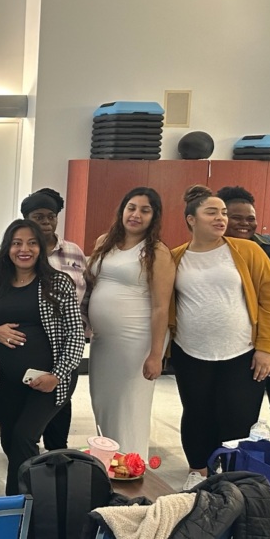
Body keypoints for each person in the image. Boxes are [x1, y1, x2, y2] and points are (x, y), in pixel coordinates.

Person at [170, 185, 270, 491]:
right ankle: (198, 472)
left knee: (238, 417)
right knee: (196, 413)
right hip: (190, 352)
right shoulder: (176, 257)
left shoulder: (248, 251)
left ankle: (231, 478)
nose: (221, 218)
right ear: (191, 219)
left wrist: (267, 348)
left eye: (224, 213)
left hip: (242, 352)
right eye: (212, 212)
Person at [0, 219, 84, 496]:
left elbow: (75, 333)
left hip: (49, 380)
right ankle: (34, 496)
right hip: (7, 382)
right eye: (16, 243)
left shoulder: (58, 282)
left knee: (25, 437)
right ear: (7, 248)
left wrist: (57, 375)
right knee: (11, 442)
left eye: (31, 242)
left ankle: (17, 508)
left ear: (40, 248)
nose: (24, 249)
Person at [85, 188, 174, 459]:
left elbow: (161, 307)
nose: (136, 215)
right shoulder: (105, 242)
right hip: (104, 341)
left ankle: (133, 468)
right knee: (104, 405)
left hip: (137, 341)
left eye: (145, 210)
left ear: (154, 216)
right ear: (122, 210)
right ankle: (110, 463)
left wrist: (156, 355)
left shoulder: (157, 252)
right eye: (131, 207)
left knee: (129, 407)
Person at [21, 187, 85, 452]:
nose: (46, 222)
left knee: (60, 402)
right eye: (39, 216)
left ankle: (57, 458)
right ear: (26, 219)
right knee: (30, 413)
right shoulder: (19, 253)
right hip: (30, 345)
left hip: (66, 344)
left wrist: (83, 331)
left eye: (51, 216)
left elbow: (87, 290)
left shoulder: (73, 252)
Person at [217, 186, 270, 431]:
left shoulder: (269, 251)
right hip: (233, 348)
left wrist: (267, 347)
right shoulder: (205, 251)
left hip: (268, 343)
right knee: (233, 410)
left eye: (250, 218)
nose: (245, 224)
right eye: (236, 217)